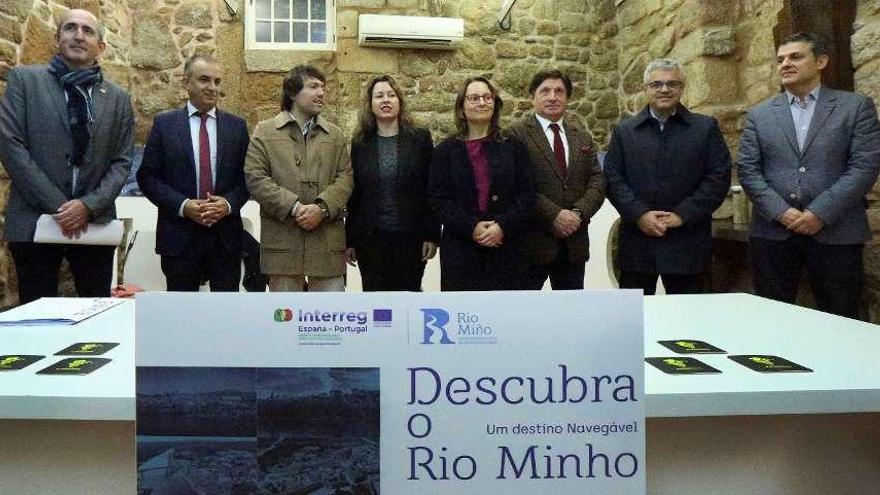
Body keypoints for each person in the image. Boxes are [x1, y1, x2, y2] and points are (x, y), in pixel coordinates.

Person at [738, 32, 880, 319]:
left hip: (836, 232)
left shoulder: (854, 107)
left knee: (841, 318)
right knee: (772, 319)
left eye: (796, 56)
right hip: (774, 234)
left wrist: (819, 213)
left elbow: (864, 166)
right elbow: (748, 170)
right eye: (780, 59)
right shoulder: (760, 114)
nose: (786, 64)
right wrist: (782, 213)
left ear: (821, 61)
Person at [0, 9, 134, 305]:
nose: (78, 35)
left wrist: (87, 207)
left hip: (94, 223)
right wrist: (60, 206)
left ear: (101, 46)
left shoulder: (118, 98)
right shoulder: (24, 81)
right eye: (70, 28)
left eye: (88, 30)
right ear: (56, 37)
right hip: (35, 219)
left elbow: (122, 161)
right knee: (35, 317)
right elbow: (10, 144)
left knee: (95, 316)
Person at [604, 58, 731, 295]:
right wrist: (640, 215)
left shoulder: (705, 128)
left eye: (672, 83)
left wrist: (682, 215)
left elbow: (718, 177)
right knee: (635, 320)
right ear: (646, 89)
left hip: (687, 241)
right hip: (638, 242)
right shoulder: (625, 131)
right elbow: (613, 178)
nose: (664, 89)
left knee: (687, 321)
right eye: (657, 84)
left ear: (682, 87)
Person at [137, 55, 250, 291]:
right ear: (186, 82)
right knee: (181, 317)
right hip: (179, 236)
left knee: (225, 316)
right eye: (204, 80)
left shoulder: (236, 127)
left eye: (217, 82)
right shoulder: (164, 124)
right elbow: (148, 177)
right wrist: (183, 205)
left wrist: (227, 204)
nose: (212, 88)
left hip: (224, 238)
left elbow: (248, 179)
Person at [244, 64, 353, 292]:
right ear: (293, 93)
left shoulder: (335, 135)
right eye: (313, 86)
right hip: (283, 245)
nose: (321, 93)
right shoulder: (265, 132)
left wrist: (321, 209)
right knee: (284, 319)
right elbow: (255, 177)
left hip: (326, 244)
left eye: (323, 87)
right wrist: (295, 208)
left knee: (329, 319)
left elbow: (346, 178)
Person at [428, 76, 534, 291]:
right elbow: (438, 200)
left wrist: (502, 226)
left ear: (495, 105)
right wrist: (472, 227)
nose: (482, 103)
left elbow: (528, 195)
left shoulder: (514, 147)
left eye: (487, 97)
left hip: (507, 246)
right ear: (461, 108)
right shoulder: (445, 151)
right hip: (461, 249)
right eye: (474, 98)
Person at [510, 69, 605, 290]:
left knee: (572, 318)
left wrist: (577, 214)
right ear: (532, 97)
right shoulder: (516, 134)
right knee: (523, 315)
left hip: (574, 245)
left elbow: (597, 181)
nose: (552, 97)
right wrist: (554, 215)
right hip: (532, 244)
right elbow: (516, 184)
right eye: (545, 91)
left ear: (567, 98)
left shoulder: (582, 136)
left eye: (559, 91)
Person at [346, 75, 439, 291]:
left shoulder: (420, 139)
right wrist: (349, 240)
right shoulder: (360, 143)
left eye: (391, 95)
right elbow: (355, 194)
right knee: (376, 302)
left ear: (400, 101)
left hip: (411, 238)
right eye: (379, 96)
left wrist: (432, 235)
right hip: (371, 240)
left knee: (409, 297)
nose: (385, 100)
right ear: (370, 105)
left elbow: (430, 189)